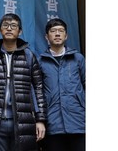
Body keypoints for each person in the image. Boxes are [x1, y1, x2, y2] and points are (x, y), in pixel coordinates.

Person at [0, 13, 47, 151]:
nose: (9, 28)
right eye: (5, 25)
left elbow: (38, 89)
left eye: (13, 26)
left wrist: (40, 120)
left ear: (20, 31)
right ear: (0, 30)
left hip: (23, 122)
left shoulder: (29, 56)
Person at [38, 18, 85, 151]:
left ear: (66, 35)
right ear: (47, 36)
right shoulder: (40, 61)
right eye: (53, 31)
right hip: (53, 123)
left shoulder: (78, 58)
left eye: (61, 31)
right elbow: (37, 92)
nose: (57, 34)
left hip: (78, 122)